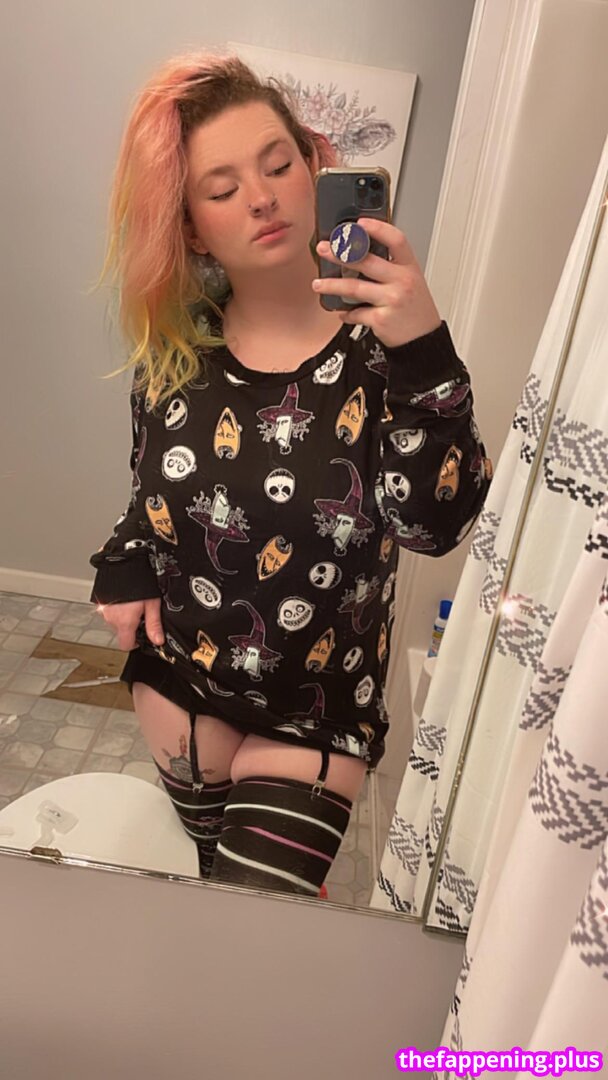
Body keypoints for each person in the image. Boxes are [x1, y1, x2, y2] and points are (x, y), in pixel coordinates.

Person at [89, 50, 492, 897]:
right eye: (223, 188)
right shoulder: (177, 350)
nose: (262, 198)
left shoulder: (388, 351)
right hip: (180, 686)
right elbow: (153, 493)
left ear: (315, 167)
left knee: (246, 938)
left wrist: (424, 350)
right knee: (202, 886)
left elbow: (434, 526)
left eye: (278, 165)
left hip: (319, 713)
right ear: (192, 227)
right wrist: (125, 561)